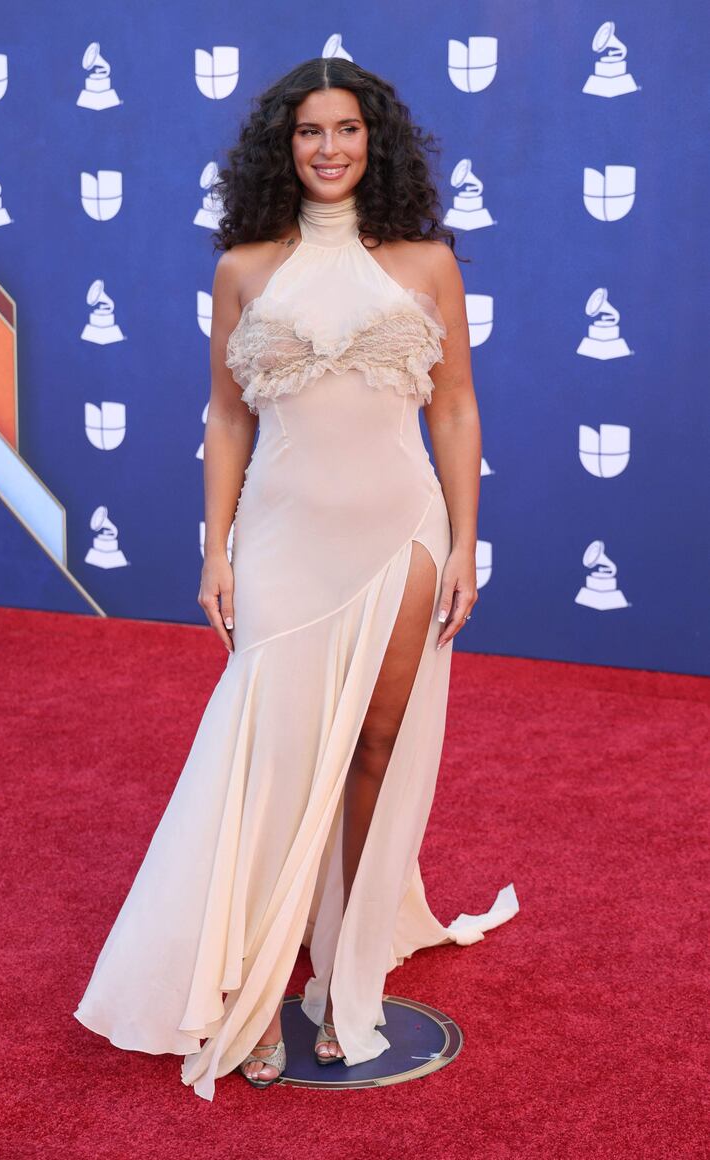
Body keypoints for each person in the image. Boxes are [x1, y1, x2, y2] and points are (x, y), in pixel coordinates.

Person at [73, 56, 518, 1102]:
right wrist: (212, 546)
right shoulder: (243, 266)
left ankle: (348, 976)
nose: (328, 148)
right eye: (309, 131)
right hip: (279, 538)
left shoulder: (426, 261)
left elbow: (452, 409)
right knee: (273, 759)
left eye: (347, 129)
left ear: (377, 142)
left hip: (399, 532)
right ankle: (255, 978)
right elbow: (227, 417)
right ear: (283, 146)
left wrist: (461, 540)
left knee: (373, 744)